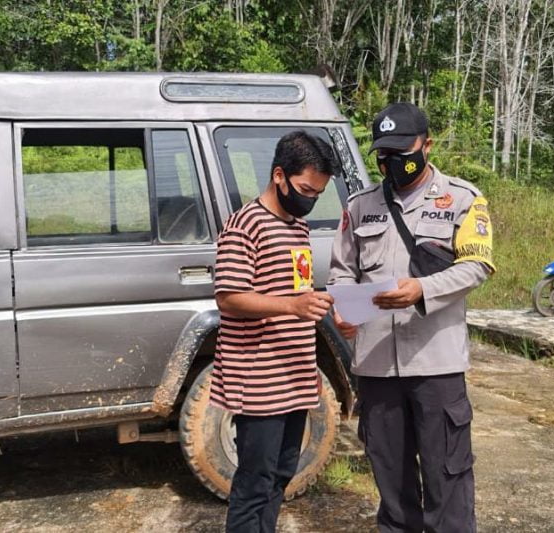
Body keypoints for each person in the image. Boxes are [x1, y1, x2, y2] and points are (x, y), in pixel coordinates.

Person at [329, 102, 495, 533]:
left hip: (436, 364)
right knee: (391, 481)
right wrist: (345, 310)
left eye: (403, 151)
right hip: (377, 366)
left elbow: (476, 265)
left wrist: (422, 289)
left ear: (426, 145)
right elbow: (343, 269)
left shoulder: (463, 198)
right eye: (384, 154)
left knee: (447, 481)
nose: (393, 162)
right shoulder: (360, 205)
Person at [212, 130, 341, 533]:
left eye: (318, 194)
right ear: (279, 175)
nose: (310, 199)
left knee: (281, 476)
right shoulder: (244, 224)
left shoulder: (298, 227)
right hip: (259, 382)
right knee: (254, 482)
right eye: (305, 189)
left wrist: (319, 306)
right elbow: (229, 297)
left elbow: (296, 291)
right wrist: (292, 305)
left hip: (296, 378)